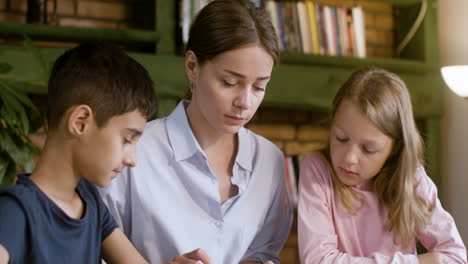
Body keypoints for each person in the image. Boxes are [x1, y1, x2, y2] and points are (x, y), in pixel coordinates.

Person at [98, 1, 293, 263]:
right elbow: (94, 247)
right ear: (192, 66)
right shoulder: (135, 153)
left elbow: (264, 253)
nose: (245, 102)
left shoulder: (269, 161)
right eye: (230, 82)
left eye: (259, 87)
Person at [0, 41, 157, 264]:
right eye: (126, 140)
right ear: (80, 122)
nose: (132, 160)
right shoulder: (15, 213)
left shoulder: (90, 202)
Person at [298, 67, 467, 263]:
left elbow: (456, 257)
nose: (350, 158)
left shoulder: (412, 178)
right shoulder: (318, 170)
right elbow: (318, 261)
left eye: (368, 149)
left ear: (395, 148)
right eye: (341, 138)